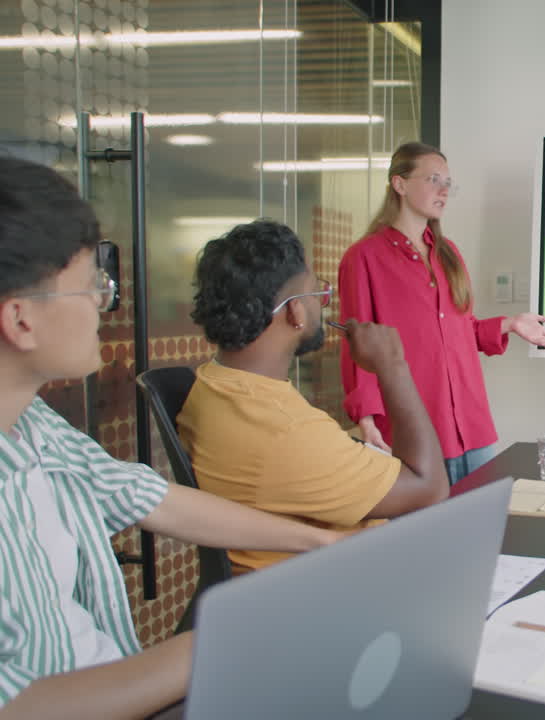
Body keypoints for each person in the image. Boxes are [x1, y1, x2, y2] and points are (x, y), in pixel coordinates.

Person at [0, 156, 351, 717]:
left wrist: (320, 545)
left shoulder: (34, 427)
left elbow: (149, 497)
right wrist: (252, 629)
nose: (102, 303)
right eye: (92, 287)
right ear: (20, 320)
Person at [179, 219, 450, 572]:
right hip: (320, 591)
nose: (322, 304)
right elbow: (430, 489)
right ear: (294, 311)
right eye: (316, 292)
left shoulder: (214, 383)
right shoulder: (285, 430)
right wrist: (392, 366)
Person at [338, 142, 545, 484]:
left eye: (448, 183)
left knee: (485, 526)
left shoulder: (448, 253)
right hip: (413, 429)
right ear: (399, 184)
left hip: (471, 426)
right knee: (429, 533)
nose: (444, 191)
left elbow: (460, 331)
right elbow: (359, 347)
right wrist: (365, 416)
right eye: (433, 180)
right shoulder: (364, 258)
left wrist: (511, 323)